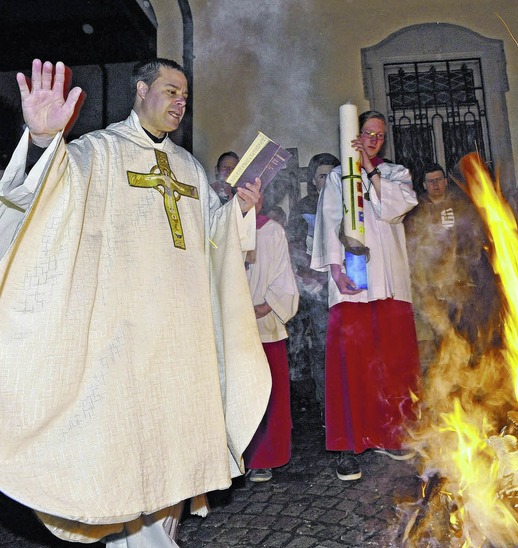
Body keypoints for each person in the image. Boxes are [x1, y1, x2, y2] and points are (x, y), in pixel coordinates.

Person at [0, 58, 271, 546]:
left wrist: (236, 212)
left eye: (184, 95)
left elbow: (210, 241)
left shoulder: (187, 165)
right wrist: (42, 140)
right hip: (123, 340)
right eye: (170, 91)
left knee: (173, 457)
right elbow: (42, 199)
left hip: (181, 343)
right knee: (128, 454)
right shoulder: (99, 152)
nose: (180, 102)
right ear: (141, 90)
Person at [311, 110, 420, 481]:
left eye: (378, 136)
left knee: (392, 361)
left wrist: (370, 167)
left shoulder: (395, 173)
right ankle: (347, 446)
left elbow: (394, 209)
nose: (372, 140)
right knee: (351, 365)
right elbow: (328, 224)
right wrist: (336, 272)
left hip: (389, 282)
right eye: (366, 134)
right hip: (353, 287)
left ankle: (393, 434)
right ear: (352, 136)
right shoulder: (338, 180)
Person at [404, 163, 499, 370]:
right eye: (431, 181)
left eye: (439, 179)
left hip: (462, 277)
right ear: (424, 184)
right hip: (433, 281)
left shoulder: (460, 204)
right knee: (442, 329)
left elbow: (475, 235)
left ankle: (473, 369)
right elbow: (412, 243)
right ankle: (449, 371)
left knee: (467, 325)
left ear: (446, 181)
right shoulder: (416, 209)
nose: (436, 184)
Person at [244, 194, 299, 482]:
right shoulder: (220, 232)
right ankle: (240, 458)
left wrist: (266, 306)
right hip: (235, 324)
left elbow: (283, 276)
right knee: (242, 395)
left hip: (265, 323)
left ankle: (267, 456)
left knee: (271, 394)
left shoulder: (272, 231)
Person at [286, 152, 340, 410]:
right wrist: (315, 271)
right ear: (313, 180)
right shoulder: (304, 208)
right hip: (318, 288)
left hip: (346, 288)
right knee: (322, 346)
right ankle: (327, 406)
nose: (328, 181)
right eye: (322, 176)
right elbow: (293, 245)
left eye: (332, 175)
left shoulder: (347, 204)